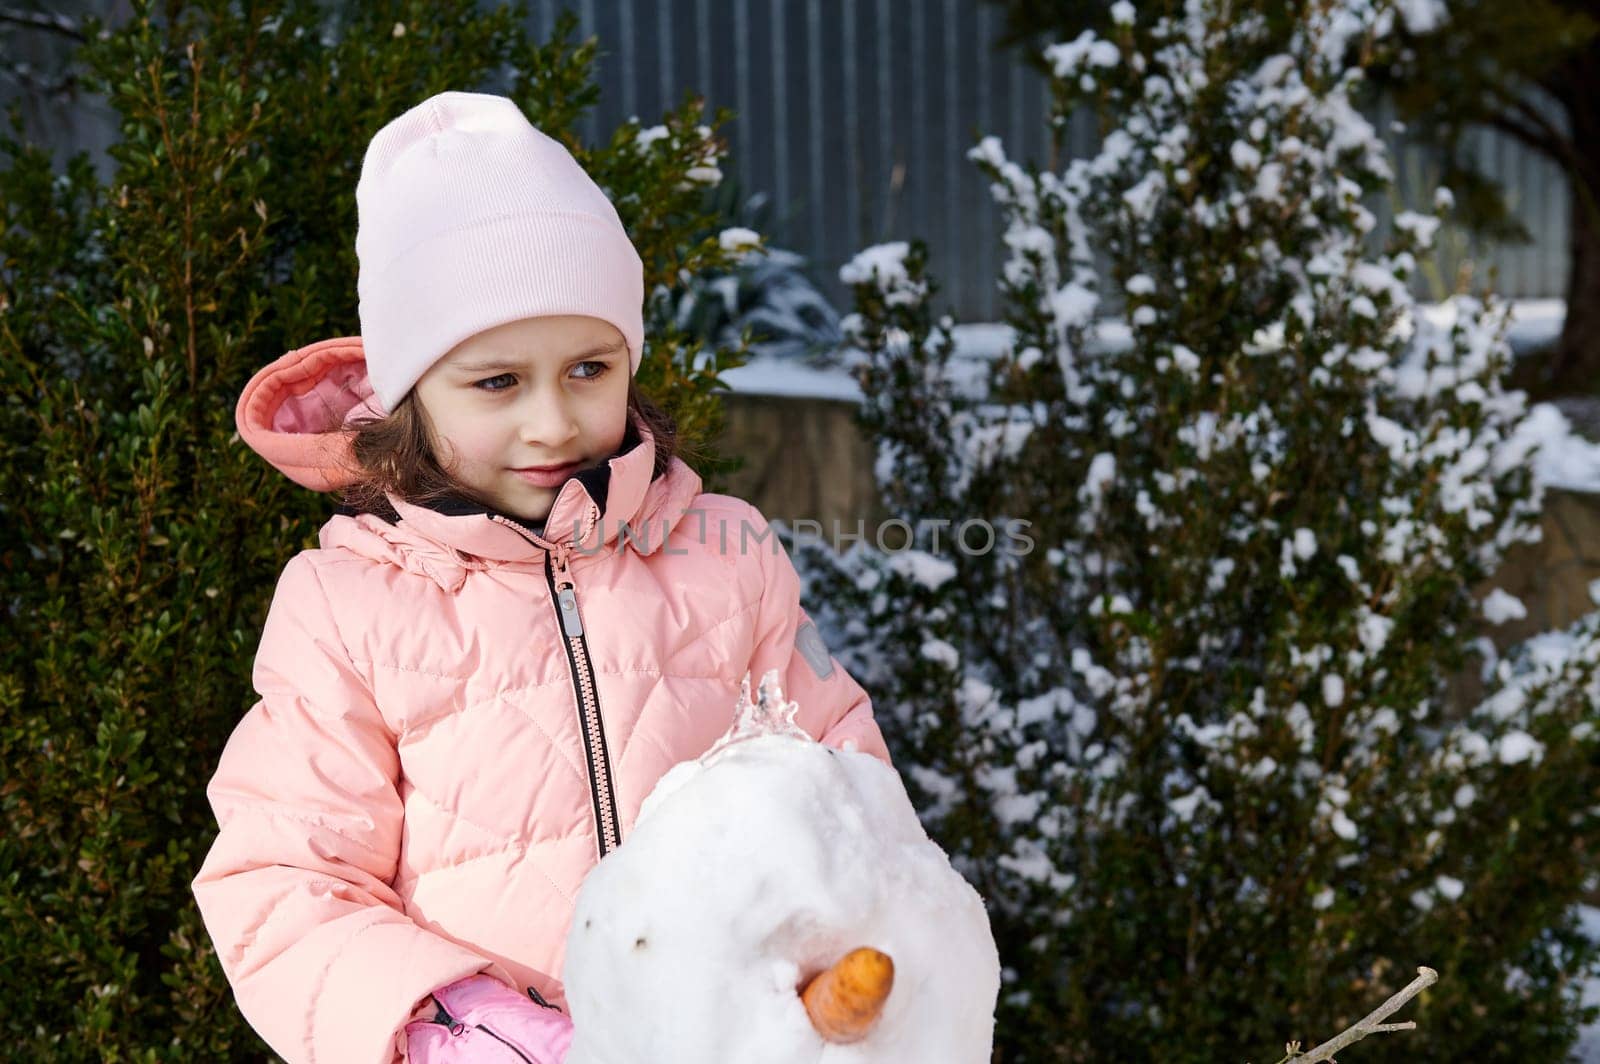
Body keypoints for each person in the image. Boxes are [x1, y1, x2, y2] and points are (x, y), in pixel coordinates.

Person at [191, 90, 893, 1064]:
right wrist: (462, 1027)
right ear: (408, 396)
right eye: (495, 380)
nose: (553, 423)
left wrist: (825, 960)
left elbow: (843, 778)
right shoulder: (347, 610)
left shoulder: (728, 555)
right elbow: (283, 880)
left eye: (588, 368)